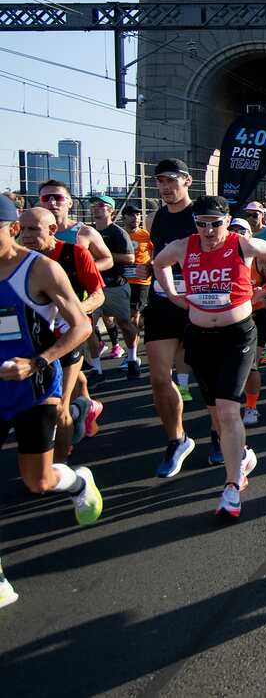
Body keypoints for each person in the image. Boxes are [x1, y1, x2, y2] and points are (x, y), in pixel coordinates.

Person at [152, 196, 266, 518]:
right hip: (200, 337)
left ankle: (231, 487)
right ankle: (242, 455)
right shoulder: (184, 247)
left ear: (227, 222)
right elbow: (158, 263)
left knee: (228, 410)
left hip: (236, 335)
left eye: (215, 223)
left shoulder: (241, 244)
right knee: (216, 413)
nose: (209, 230)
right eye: (202, 224)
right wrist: (173, 294)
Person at [0, 194, 101, 608]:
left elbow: (81, 326)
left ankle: (79, 481)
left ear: (10, 229)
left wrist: (39, 361)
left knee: (37, 481)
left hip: (35, 387)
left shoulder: (40, 268)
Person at [18, 208, 105, 457]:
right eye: (22, 229)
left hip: (68, 335)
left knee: (58, 408)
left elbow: (98, 294)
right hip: (33, 339)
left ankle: (60, 463)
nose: (26, 235)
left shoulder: (75, 253)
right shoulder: (17, 258)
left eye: (33, 229)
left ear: (52, 229)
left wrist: (74, 311)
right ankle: (85, 407)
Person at [142, 159, 200, 475]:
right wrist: (147, 268)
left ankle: (220, 435)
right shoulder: (154, 217)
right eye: (161, 182)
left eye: (171, 181)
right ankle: (177, 439)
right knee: (159, 379)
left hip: (199, 303)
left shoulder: (200, 215)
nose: (165, 187)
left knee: (210, 378)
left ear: (187, 181)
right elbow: (156, 257)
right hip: (162, 302)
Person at [228, 217, 266, 426]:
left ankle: (251, 407)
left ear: (250, 235)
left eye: (242, 231)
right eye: (233, 230)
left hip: (256, 317)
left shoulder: (259, 259)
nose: (238, 234)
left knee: (250, 366)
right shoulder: (218, 257)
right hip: (228, 320)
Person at [88, 194, 137, 378]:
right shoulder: (87, 231)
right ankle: (96, 368)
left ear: (111, 211)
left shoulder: (118, 232)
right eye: (93, 205)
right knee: (88, 328)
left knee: (124, 324)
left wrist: (104, 256)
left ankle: (132, 358)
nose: (96, 207)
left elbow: (130, 258)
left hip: (115, 286)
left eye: (101, 205)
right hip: (93, 288)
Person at [37, 179, 112, 272]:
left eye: (58, 198)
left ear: (70, 203)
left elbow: (108, 259)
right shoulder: (29, 231)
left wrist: (81, 270)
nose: (52, 202)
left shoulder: (86, 232)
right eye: (45, 198)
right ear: (40, 203)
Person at [119, 203, 151, 379]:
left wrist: (149, 266)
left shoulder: (146, 235)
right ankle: (131, 351)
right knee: (124, 319)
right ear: (124, 217)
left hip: (141, 282)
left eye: (138, 215)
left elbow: (155, 254)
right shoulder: (119, 234)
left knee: (133, 317)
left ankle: (131, 356)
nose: (135, 218)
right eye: (131, 215)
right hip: (122, 281)